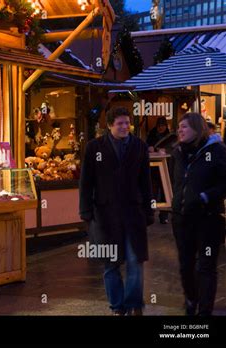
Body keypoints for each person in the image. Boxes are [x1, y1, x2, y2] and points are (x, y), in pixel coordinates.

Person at [79, 107, 154, 316]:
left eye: (126, 122)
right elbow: (86, 181)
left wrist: (149, 210)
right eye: (119, 123)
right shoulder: (95, 148)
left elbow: (146, 182)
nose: (124, 127)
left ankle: (134, 304)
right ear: (110, 125)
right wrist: (85, 210)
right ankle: (117, 306)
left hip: (133, 212)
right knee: (111, 264)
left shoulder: (139, 146)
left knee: (135, 260)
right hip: (105, 214)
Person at [171, 113, 226, 316]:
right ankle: (191, 300)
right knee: (185, 266)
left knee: (206, 265)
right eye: (179, 127)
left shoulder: (217, 151)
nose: (180, 130)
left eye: (184, 127)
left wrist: (204, 196)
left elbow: (224, 183)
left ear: (197, 128)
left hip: (208, 219)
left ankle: (204, 311)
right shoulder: (177, 152)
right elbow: (177, 183)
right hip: (182, 218)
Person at [146, 117, 171, 224]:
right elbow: (146, 145)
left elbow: (172, 147)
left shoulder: (169, 136)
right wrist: (149, 147)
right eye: (159, 126)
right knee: (153, 191)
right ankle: (151, 214)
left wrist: (166, 150)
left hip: (165, 167)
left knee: (165, 192)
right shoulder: (151, 134)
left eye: (163, 126)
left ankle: (164, 216)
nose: (161, 128)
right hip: (154, 168)